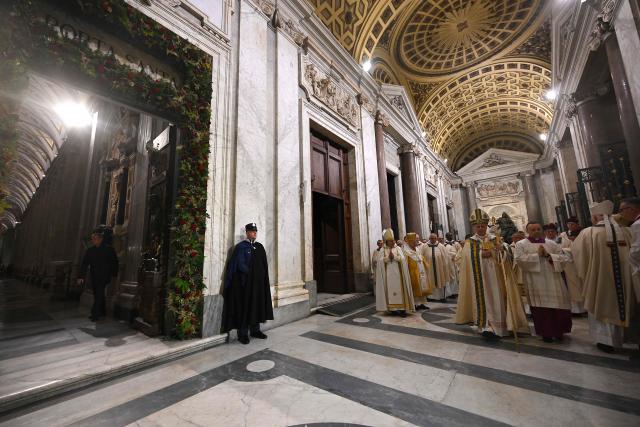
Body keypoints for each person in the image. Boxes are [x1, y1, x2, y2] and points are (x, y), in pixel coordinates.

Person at [572, 201, 639, 353]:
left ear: (595, 217)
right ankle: (628, 336)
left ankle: (605, 340)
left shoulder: (588, 233)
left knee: (601, 302)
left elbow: (577, 256)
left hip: (600, 279)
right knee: (625, 301)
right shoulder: (626, 231)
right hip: (625, 279)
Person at [455, 209, 529, 339]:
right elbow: (464, 260)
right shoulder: (469, 242)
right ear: (474, 227)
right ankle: (486, 327)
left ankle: (501, 326)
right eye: (478, 226)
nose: (480, 229)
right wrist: (479, 254)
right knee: (483, 300)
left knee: (498, 299)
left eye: (483, 226)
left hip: (496, 277)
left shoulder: (496, 239)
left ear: (486, 226)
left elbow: (506, 256)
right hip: (479, 279)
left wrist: (500, 251)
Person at [515, 222, 572, 342]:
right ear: (527, 231)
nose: (536, 231)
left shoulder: (551, 243)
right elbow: (519, 260)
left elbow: (564, 258)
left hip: (554, 280)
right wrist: (536, 256)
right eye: (533, 229)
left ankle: (559, 332)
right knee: (541, 309)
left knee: (557, 306)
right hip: (535, 281)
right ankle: (546, 333)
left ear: (541, 229)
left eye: (538, 228)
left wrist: (548, 256)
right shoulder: (521, 244)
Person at [222, 223, 274, 344]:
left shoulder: (259, 247)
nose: (254, 233)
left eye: (255, 231)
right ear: (247, 233)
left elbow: (264, 265)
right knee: (245, 307)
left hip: (258, 285)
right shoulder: (241, 247)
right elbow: (240, 265)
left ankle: (256, 330)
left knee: (257, 306)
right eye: (252, 231)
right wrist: (251, 274)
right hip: (245, 285)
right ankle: (243, 333)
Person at [78, 228, 119, 321]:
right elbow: (84, 263)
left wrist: (114, 274)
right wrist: (81, 276)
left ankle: (95, 314)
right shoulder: (90, 250)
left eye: (95, 238)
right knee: (98, 294)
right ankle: (102, 311)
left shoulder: (109, 249)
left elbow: (114, 262)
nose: (93, 240)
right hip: (94, 276)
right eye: (92, 239)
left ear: (100, 239)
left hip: (104, 276)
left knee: (99, 293)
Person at [375, 228, 415, 317]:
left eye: (393, 240)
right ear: (387, 242)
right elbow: (380, 262)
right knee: (389, 290)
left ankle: (402, 309)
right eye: (390, 241)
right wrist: (388, 258)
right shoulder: (383, 250)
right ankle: (392, 309)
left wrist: (395, 257)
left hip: (399, 275)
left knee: (401, 290)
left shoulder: (398, 249)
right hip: (387, 276)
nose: (393, 242)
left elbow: (403, 260)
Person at [558, 217, 587, 315]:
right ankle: (576, 309)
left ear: (577, 224)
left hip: (582, 261)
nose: (570, 226)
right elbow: (561, 247)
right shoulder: (563, 235)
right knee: (573, 285)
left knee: (584, 283)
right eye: (569, 224)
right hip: (570, 264)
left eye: (572, 224)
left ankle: (587, 307)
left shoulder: (584, 232)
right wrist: (565, 250)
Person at [403, 232, 432, 310]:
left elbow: (421, 257)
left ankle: (422, 303)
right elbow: (405, 264)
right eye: (415, 240)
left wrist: (425, 264)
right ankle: (415, 304)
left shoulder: (417, 249)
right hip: (412, 273)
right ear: (411, 241)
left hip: (421, 271)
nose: (417, 242)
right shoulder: (406, 252)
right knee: (415, 288)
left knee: (422, 287)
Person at [423, 233, 452, 302]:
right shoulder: (424, 246)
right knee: (430, 281)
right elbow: (421, 256)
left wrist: (445, 266)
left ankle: (441, 296)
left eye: (434, 238)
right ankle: (430, 297)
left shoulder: (441, 246)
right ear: (429, 239)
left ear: (436, 239)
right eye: (431, 238)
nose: (432, 240)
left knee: (440, 281)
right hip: (429, 269)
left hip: (440, 268)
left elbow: (446, 257)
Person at [444, 232, 461, 297]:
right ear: (446, 236)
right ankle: (451, 292)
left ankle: (456, 291)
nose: (450, 236)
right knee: (450, 277)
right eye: (448, 236)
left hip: (455, 262)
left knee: (456, 277)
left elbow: (459, 251)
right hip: (448, 263)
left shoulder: (456, 243)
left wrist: (455, 256)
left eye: (451, 235)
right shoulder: (444, 245)